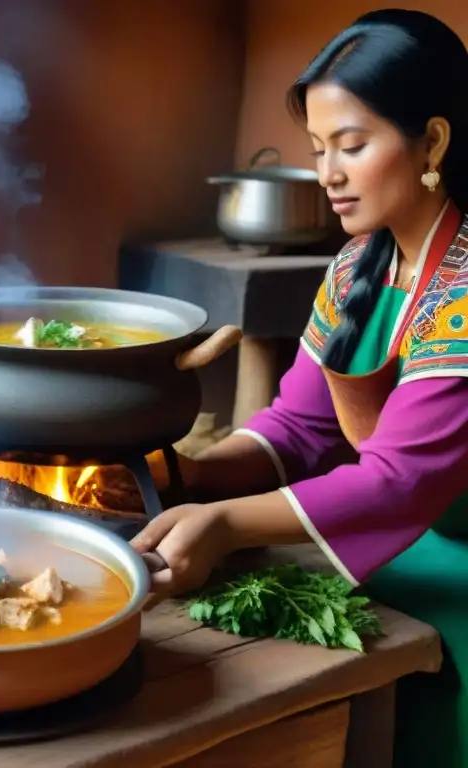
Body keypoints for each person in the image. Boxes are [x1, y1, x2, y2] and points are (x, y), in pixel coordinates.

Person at [132, 9, 468, 766]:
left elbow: (400, 481)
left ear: (434, 142)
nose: (327, 174)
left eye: (351, 146)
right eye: (318, 149)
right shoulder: (357, 268)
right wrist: (176, 478)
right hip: (382, 554)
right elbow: (297, 430)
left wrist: (223, 525)